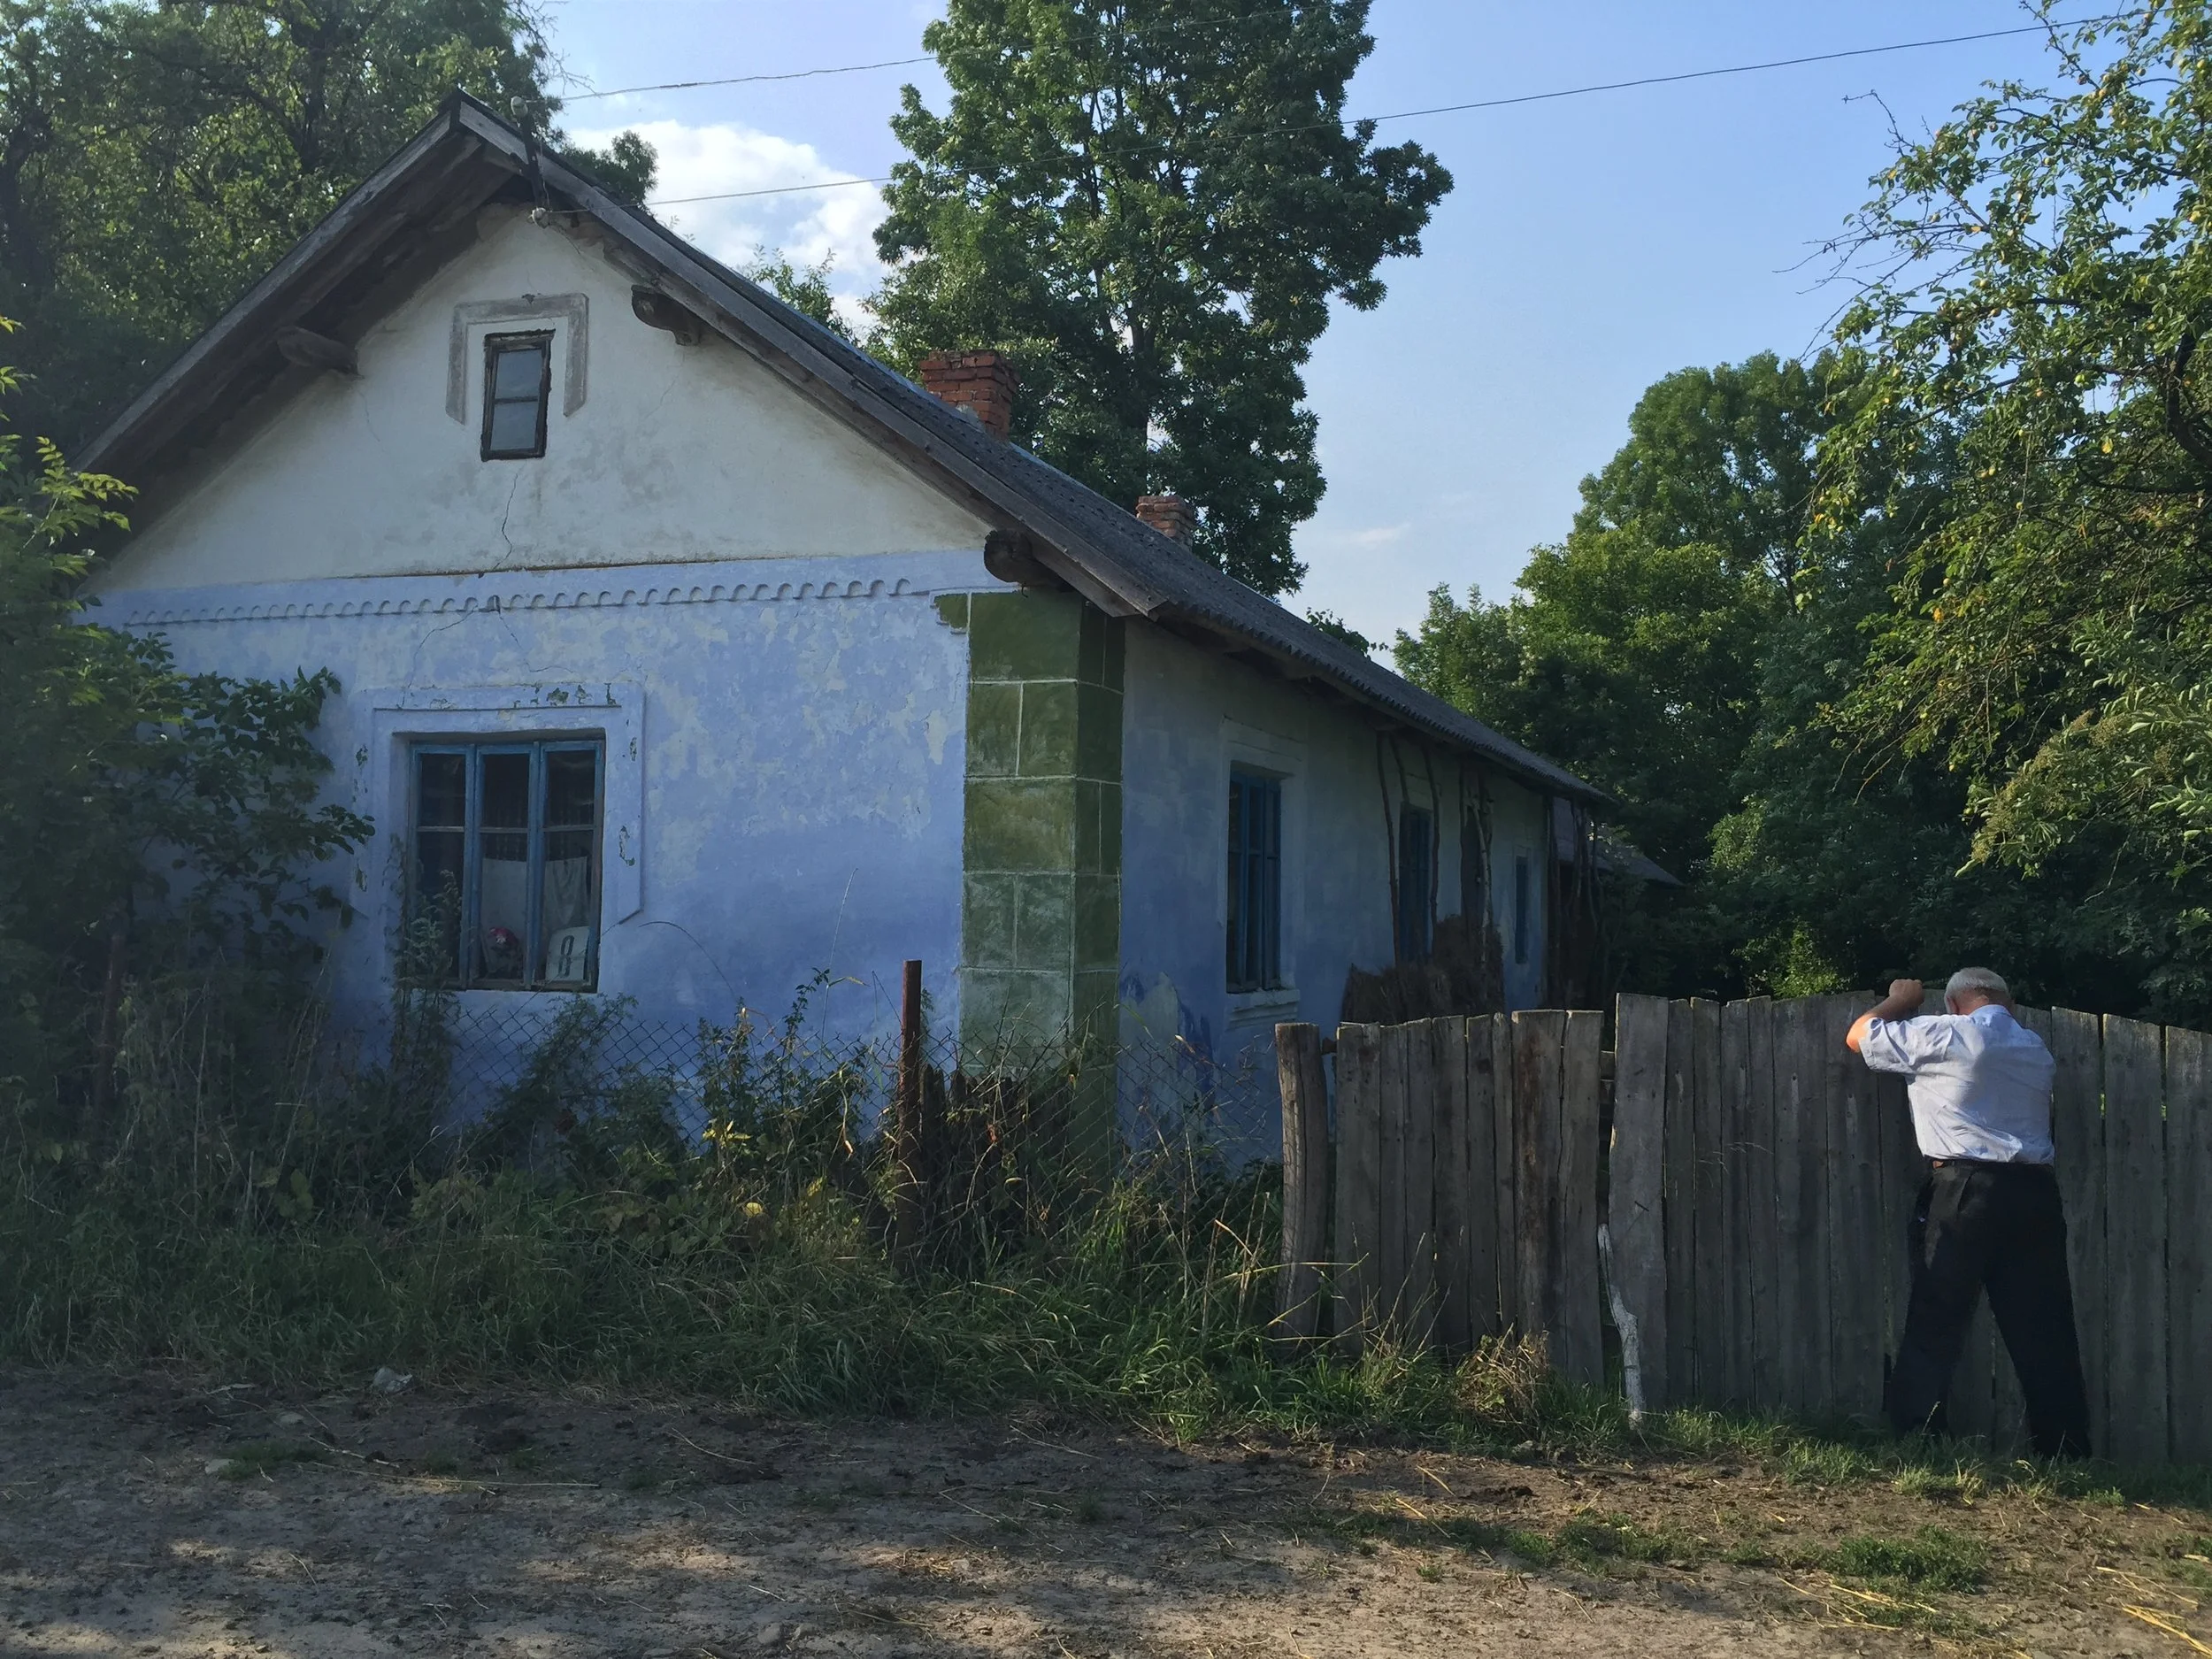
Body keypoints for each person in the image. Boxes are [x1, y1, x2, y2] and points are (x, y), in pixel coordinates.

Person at [1845, 967, 2093, 1457]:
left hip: (1966, 1189)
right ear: (2008, 1003)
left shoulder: (1948, 1031)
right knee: (2043, 1325)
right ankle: (2066, 1450)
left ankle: (1917, 1438)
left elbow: (1859, 1036)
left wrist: (1899, 998)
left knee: (1938, 1314)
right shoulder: (2033, 1048)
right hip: (2035, 1194)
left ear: (1955, 1002)